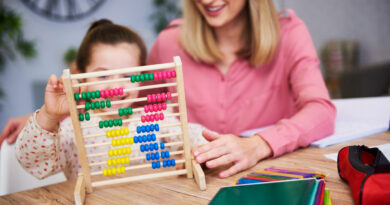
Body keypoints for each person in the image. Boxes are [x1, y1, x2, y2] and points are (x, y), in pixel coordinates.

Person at [146, 0, 336, 178]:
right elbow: (137, 117)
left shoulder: (289, 33)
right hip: (195, 185)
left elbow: (321, 111)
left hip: (274, 179)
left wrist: (258, 145)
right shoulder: (168, 44)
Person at [14, 19, 208, 180]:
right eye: (103, 76)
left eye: (126, 75)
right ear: (81, 77)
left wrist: (195, 154)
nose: (116, 87)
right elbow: (35, 164)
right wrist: (49, 116)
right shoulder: (73, 131)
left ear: (141, 77)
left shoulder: (157, 121)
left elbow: (196, 136)